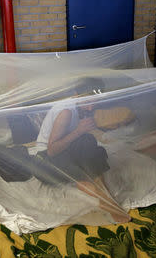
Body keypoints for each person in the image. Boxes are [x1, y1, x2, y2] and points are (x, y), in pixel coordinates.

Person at [29, 77, 131, 223]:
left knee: (88, 141)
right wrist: (78, 130)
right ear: (76, 94)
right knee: (81, 156)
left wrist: (89, 133)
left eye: (94, 102)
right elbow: (52, 150)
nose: (90, 107)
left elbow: (81, 137)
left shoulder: (82, 107)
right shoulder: (66, 112)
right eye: (88, 102)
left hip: (66, 150)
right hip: (47, 158)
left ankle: (105, 196)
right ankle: (106, 202)